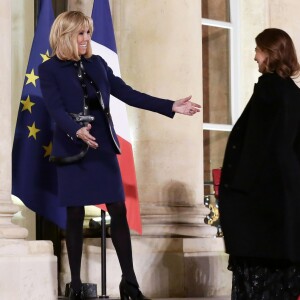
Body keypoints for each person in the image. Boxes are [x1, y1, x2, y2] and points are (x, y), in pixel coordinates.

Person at [38, 11, 200, 300]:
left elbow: (128, 93)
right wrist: (76, 130)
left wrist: (170, 106)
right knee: (74, 213)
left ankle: (130, 284)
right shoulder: (50, 69)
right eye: (81, 34)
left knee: (119, 211)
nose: (87, 39)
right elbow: (55, 108)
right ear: (65, 36)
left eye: (88, 33)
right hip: (73, 147)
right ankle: (75, 285)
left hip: (101, 147)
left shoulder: (98, 64)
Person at [219, 28, 300, 299]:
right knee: (282, 275)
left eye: (258, 50)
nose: (254, 56)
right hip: (286, 196)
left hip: (260, 200)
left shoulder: (268, 90)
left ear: (270, 53)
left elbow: (255, 145)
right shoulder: (294, 93)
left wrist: (235, 192)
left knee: (256, 274)